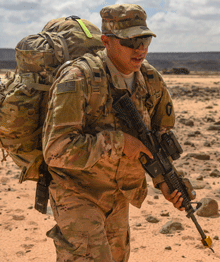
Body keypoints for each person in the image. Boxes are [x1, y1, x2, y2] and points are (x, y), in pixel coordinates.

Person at [42, 4, 184, 262]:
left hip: (118, 194)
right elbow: (56, 149)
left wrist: (165, 180)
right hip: (76, 191)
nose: (140, 49)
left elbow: (156, 141)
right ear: (106, 41)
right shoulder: (78, 79)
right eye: (131, 41)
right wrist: (118, 143)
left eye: (145, 40)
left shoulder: (151, 80)